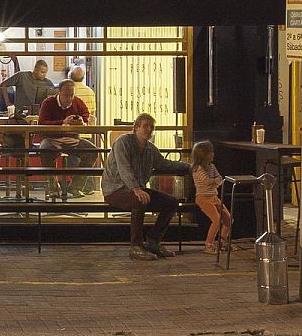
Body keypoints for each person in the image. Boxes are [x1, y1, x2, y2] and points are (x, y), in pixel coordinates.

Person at [101, 112, 188, 260]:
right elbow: (124, 168)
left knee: (171, 202)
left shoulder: (150, 149)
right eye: (145, 126)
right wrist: (135, 189)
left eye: (151, 127)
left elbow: (164, 164)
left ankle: (153, 241)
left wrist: (190, 167)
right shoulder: (123, 142)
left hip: (137, 189)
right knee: (139, 200)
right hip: (115, 190)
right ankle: (136, 246)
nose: (149, 130)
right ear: (135, 128)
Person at [37, 79, 95, 197]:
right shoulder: (48, 103)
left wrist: (81, 121)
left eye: (72, 95)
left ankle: (76, 187)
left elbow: (86, 114)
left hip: (72, 138)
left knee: (92, 152)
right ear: (59, 92)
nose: (69, 98)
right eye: (66, 95)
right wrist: (62, 122)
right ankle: (53, 186)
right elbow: (42, 122)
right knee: (45, 150)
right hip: (51, 138)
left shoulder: (78, 102)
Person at [189, 140, 232, 255]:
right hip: (203, 198)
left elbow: (220, 179)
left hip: (214, 197)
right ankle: (209, 244)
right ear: (203, 155)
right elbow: (207, 182)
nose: (213, 154)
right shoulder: (198, 169)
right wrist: (215, 182)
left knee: (228, 219)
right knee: (216, 220)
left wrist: (215, 182)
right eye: (210, 152)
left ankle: (223, 241)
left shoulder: (212, 166)